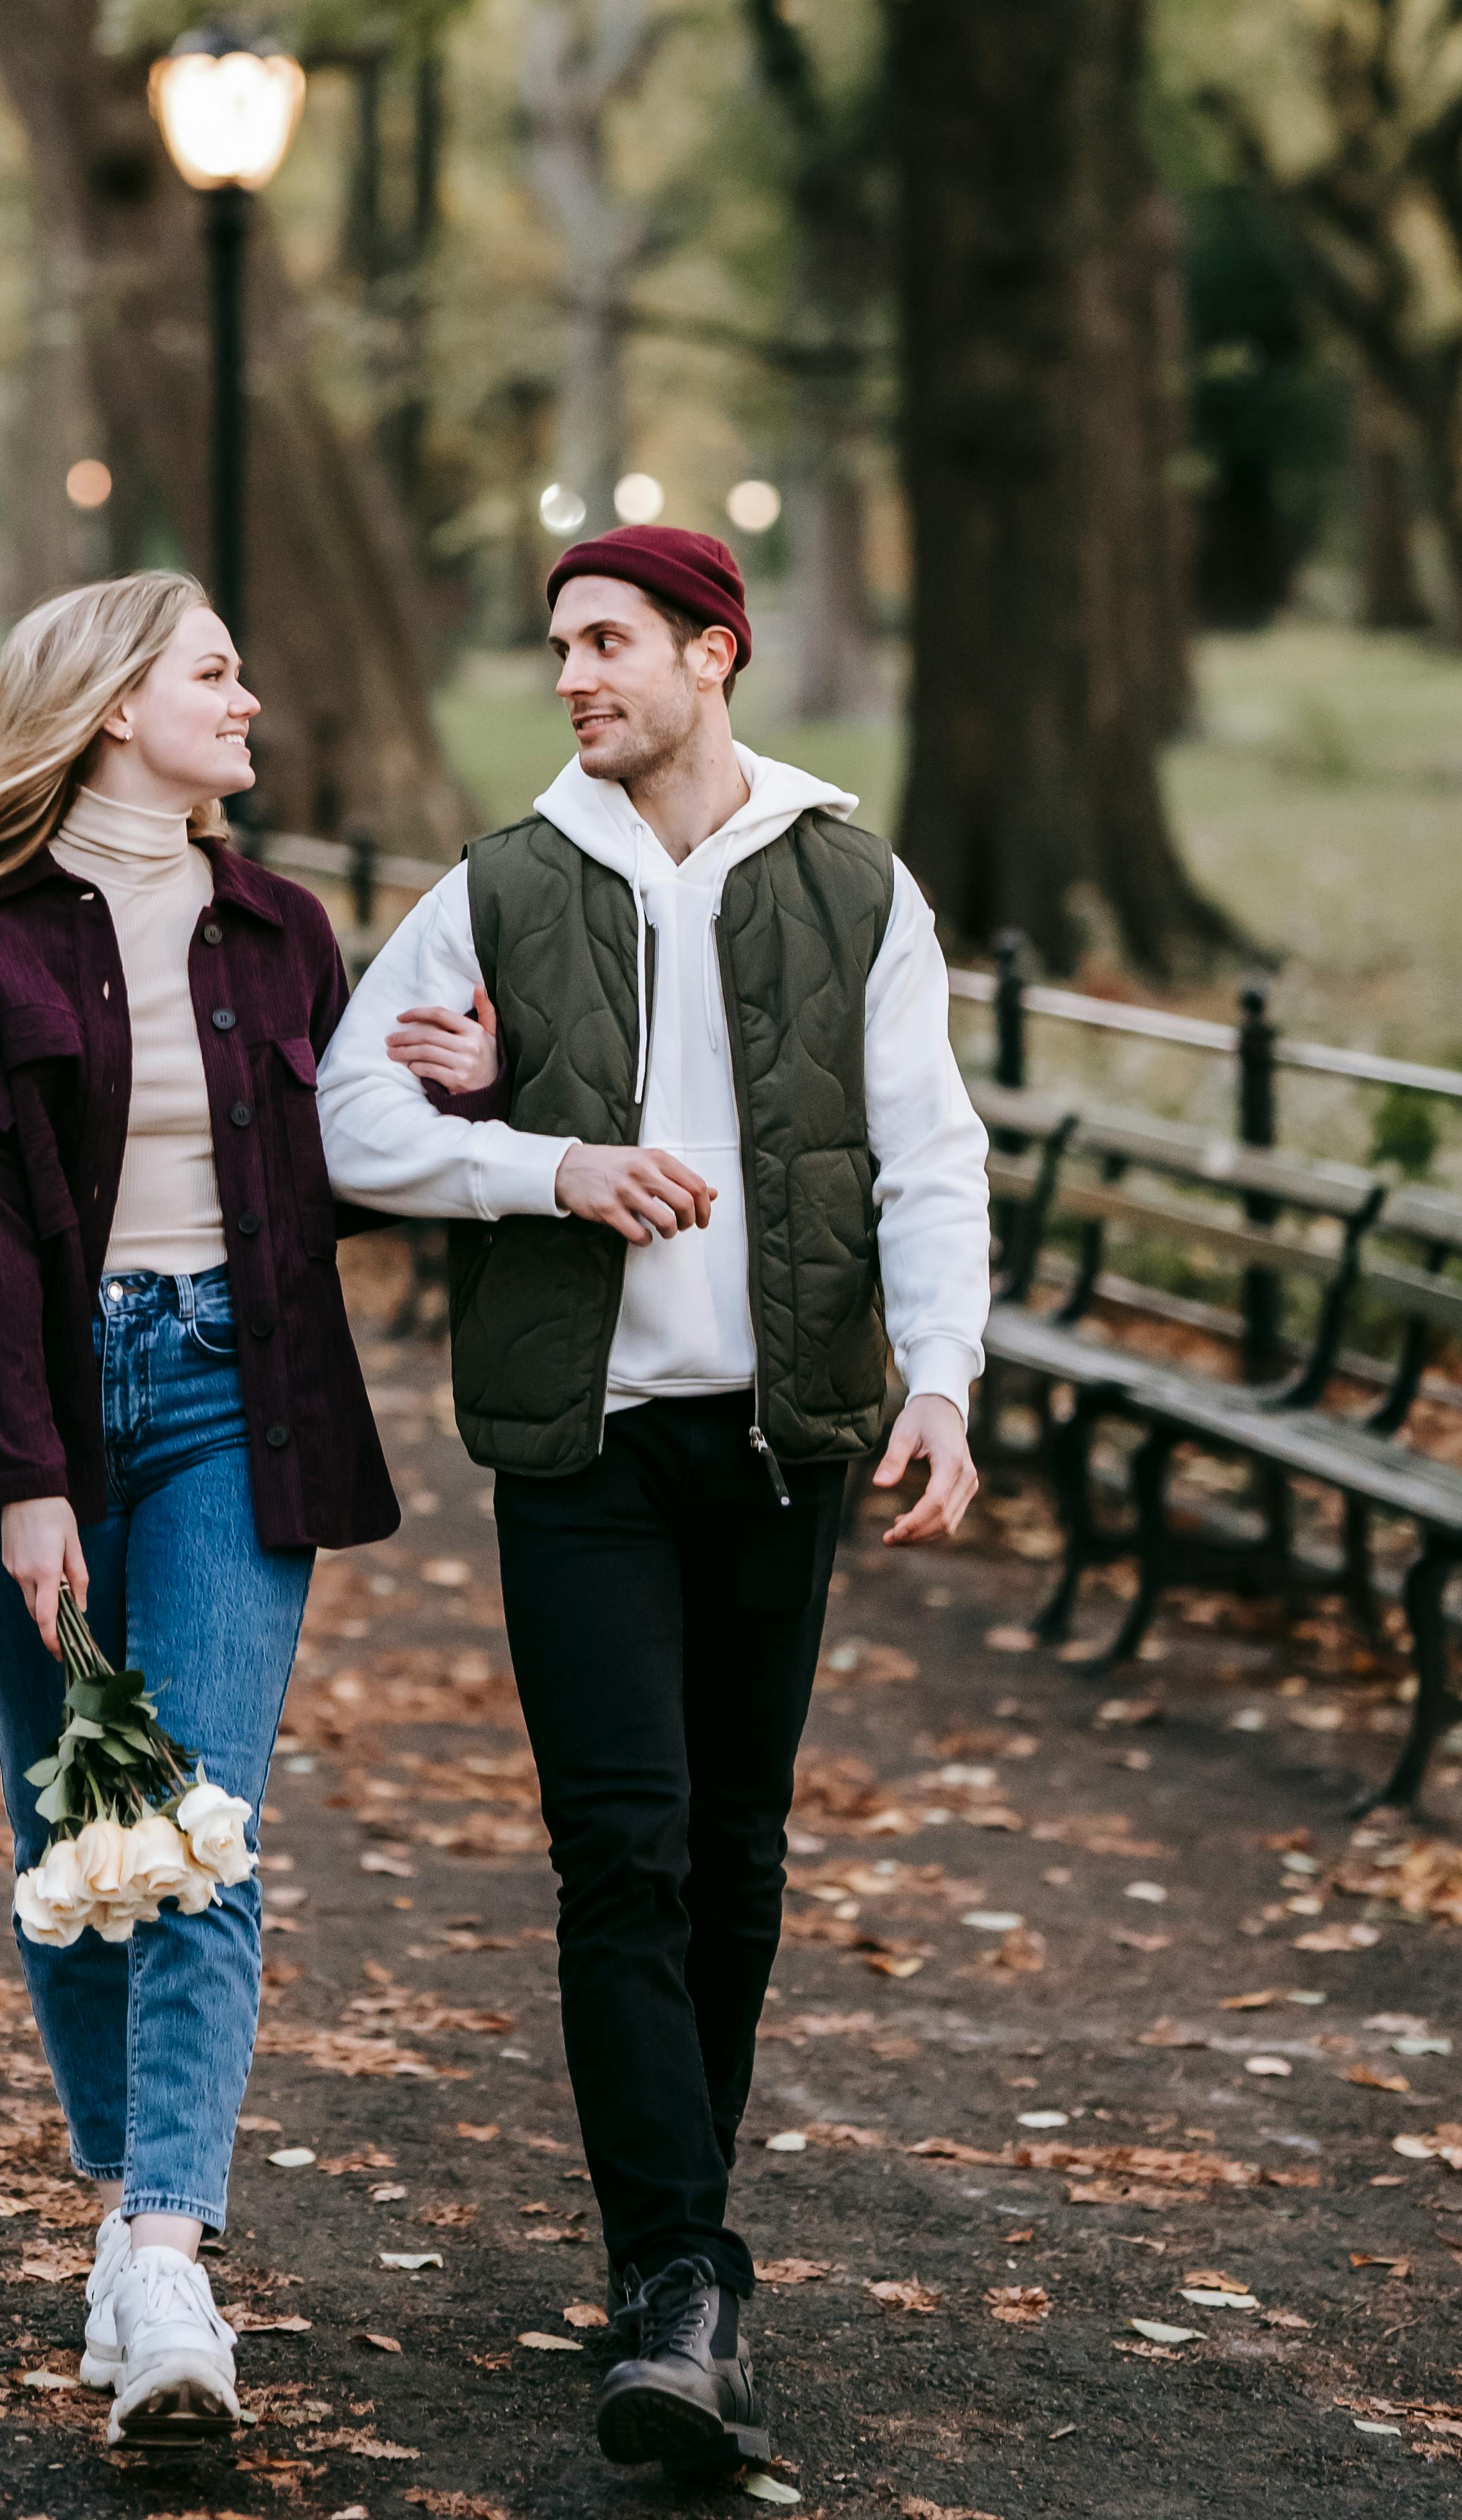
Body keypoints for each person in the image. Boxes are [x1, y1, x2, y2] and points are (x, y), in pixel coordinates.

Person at [317, 525, 991, 2480]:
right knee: (624, 1851)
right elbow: (353, 1116)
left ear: (716, 652)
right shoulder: (501, 887)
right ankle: (682, 2275)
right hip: (587, 1449)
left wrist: (938, 1381)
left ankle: (672, 2260)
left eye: (608, 642)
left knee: (738, 1853)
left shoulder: (857, 884)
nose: (571, 676)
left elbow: (929, 1153)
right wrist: (541, 1164)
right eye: (557, 646)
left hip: (783, 1445)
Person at [0, 572, 397, 2446]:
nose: (252, 699)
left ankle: (166, 2244)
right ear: (111, 710)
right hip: (62, 1417)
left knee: (200, 1819)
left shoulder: (285, 931)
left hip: (240, 1416)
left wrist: (436, 1102)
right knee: (78, 1833)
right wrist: (19, 1485)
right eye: (216, 672)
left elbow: (336, 1180)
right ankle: (124, 2189)